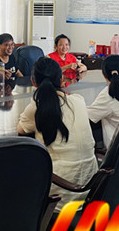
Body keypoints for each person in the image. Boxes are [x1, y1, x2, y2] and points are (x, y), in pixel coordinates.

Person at [17, 57, 97, 209]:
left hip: (59, 195)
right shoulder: (78, 100)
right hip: (90, 189)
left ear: (33, 82)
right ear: (61, 80)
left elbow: (21, 130)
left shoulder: (37, 107)